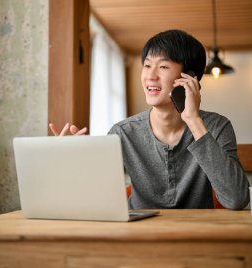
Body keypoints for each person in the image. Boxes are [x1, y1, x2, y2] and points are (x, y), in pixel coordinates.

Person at [49, 29, 249, 210]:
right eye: (146, 65)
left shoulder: (216, 126)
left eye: (163, 66)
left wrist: (193, 120)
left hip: (197, 237)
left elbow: (237, 199)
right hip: (136, 235)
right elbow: (95, 198)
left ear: (189, 78)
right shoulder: (123, 132)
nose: (150, 76)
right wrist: (71, 159)